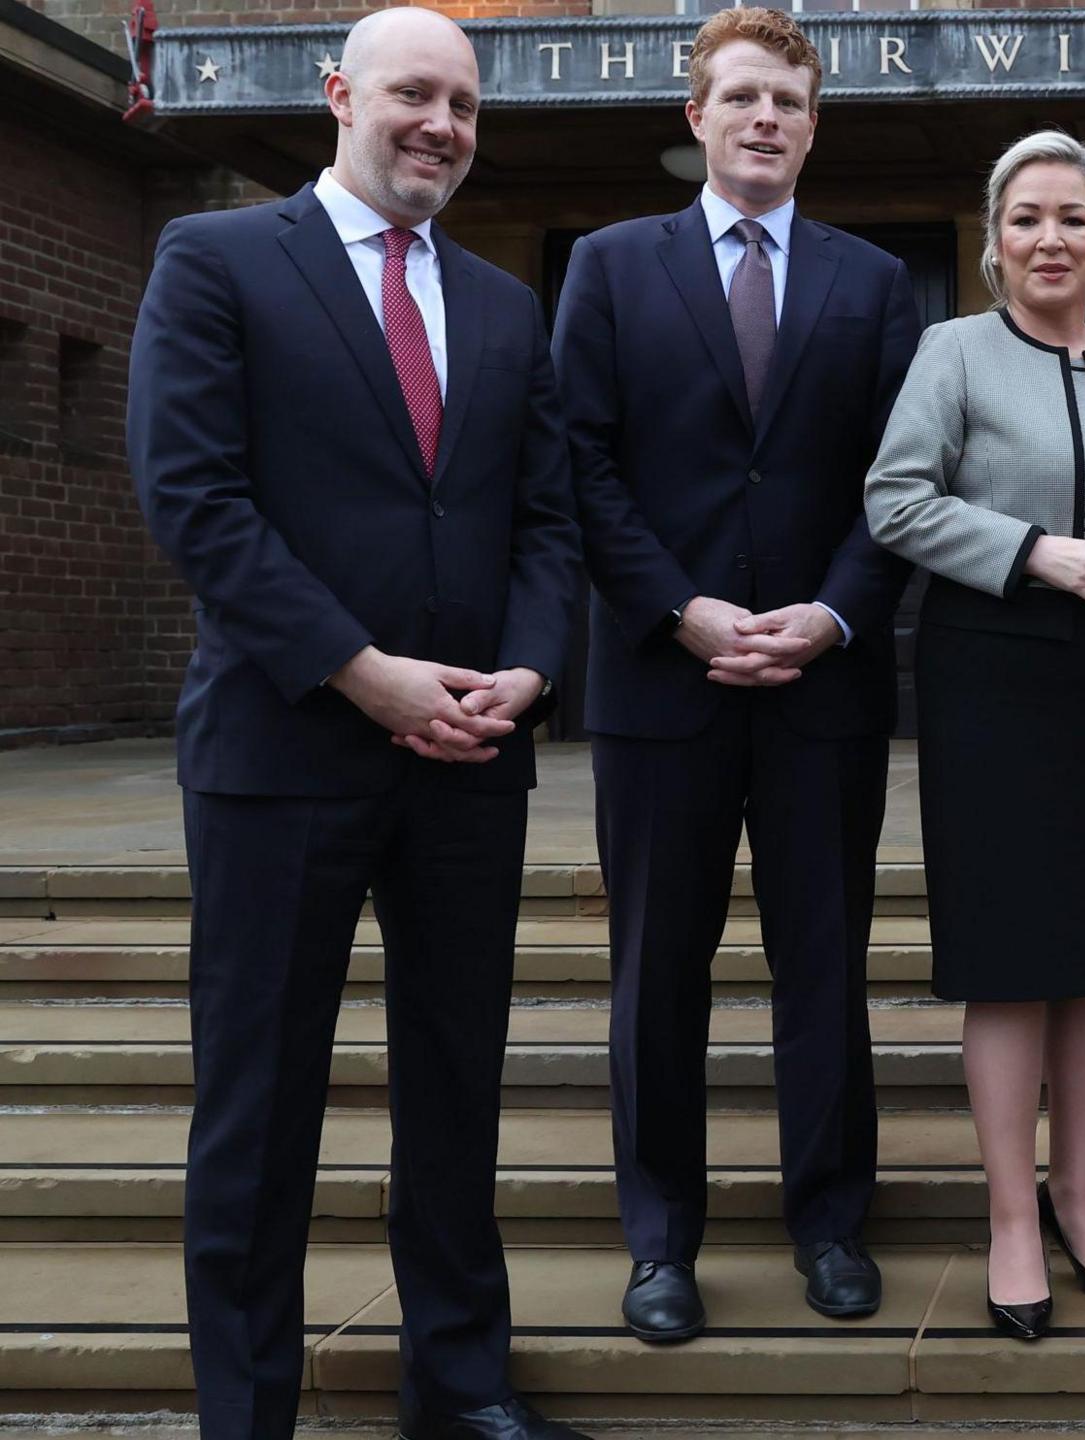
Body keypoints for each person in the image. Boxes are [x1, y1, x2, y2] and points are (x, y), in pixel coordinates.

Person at [126, 10, 584, 1438]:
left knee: (456, 1093)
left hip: (468, 761)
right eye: (412, 94)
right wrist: (358, 669)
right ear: (339, 96)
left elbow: (544, 525)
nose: (440, 124)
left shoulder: (509, 306)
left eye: (462, 103)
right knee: (259, 1115)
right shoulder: (215, 261)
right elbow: (194, 500)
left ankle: (457, 1388)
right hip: (284, 756)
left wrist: (529, 670)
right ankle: (247, 1412)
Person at [550, 6, 919, 1343]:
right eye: (744, 97)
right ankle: (660, 1242)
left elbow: (898, 485)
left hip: (825, 686)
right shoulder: (606, 267)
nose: (768, 118)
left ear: (815, 126)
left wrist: (830, 616)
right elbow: (578, 466)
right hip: (664, 684)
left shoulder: (875, 283)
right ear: (696, 117)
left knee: (824, 963)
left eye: (791, 102)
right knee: (659, 972)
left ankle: (829, 1222)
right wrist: (680, 612)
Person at [866, 130, 1085, 1343]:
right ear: (993, 240)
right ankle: (1013, 1214)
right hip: (995, 677)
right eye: (1026, 219)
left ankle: (1081, 1197)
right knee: (1011, 955)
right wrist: (1029, 553)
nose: (1050, 238)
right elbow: (895, 498)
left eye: (1073, 217)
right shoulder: (950, 350)